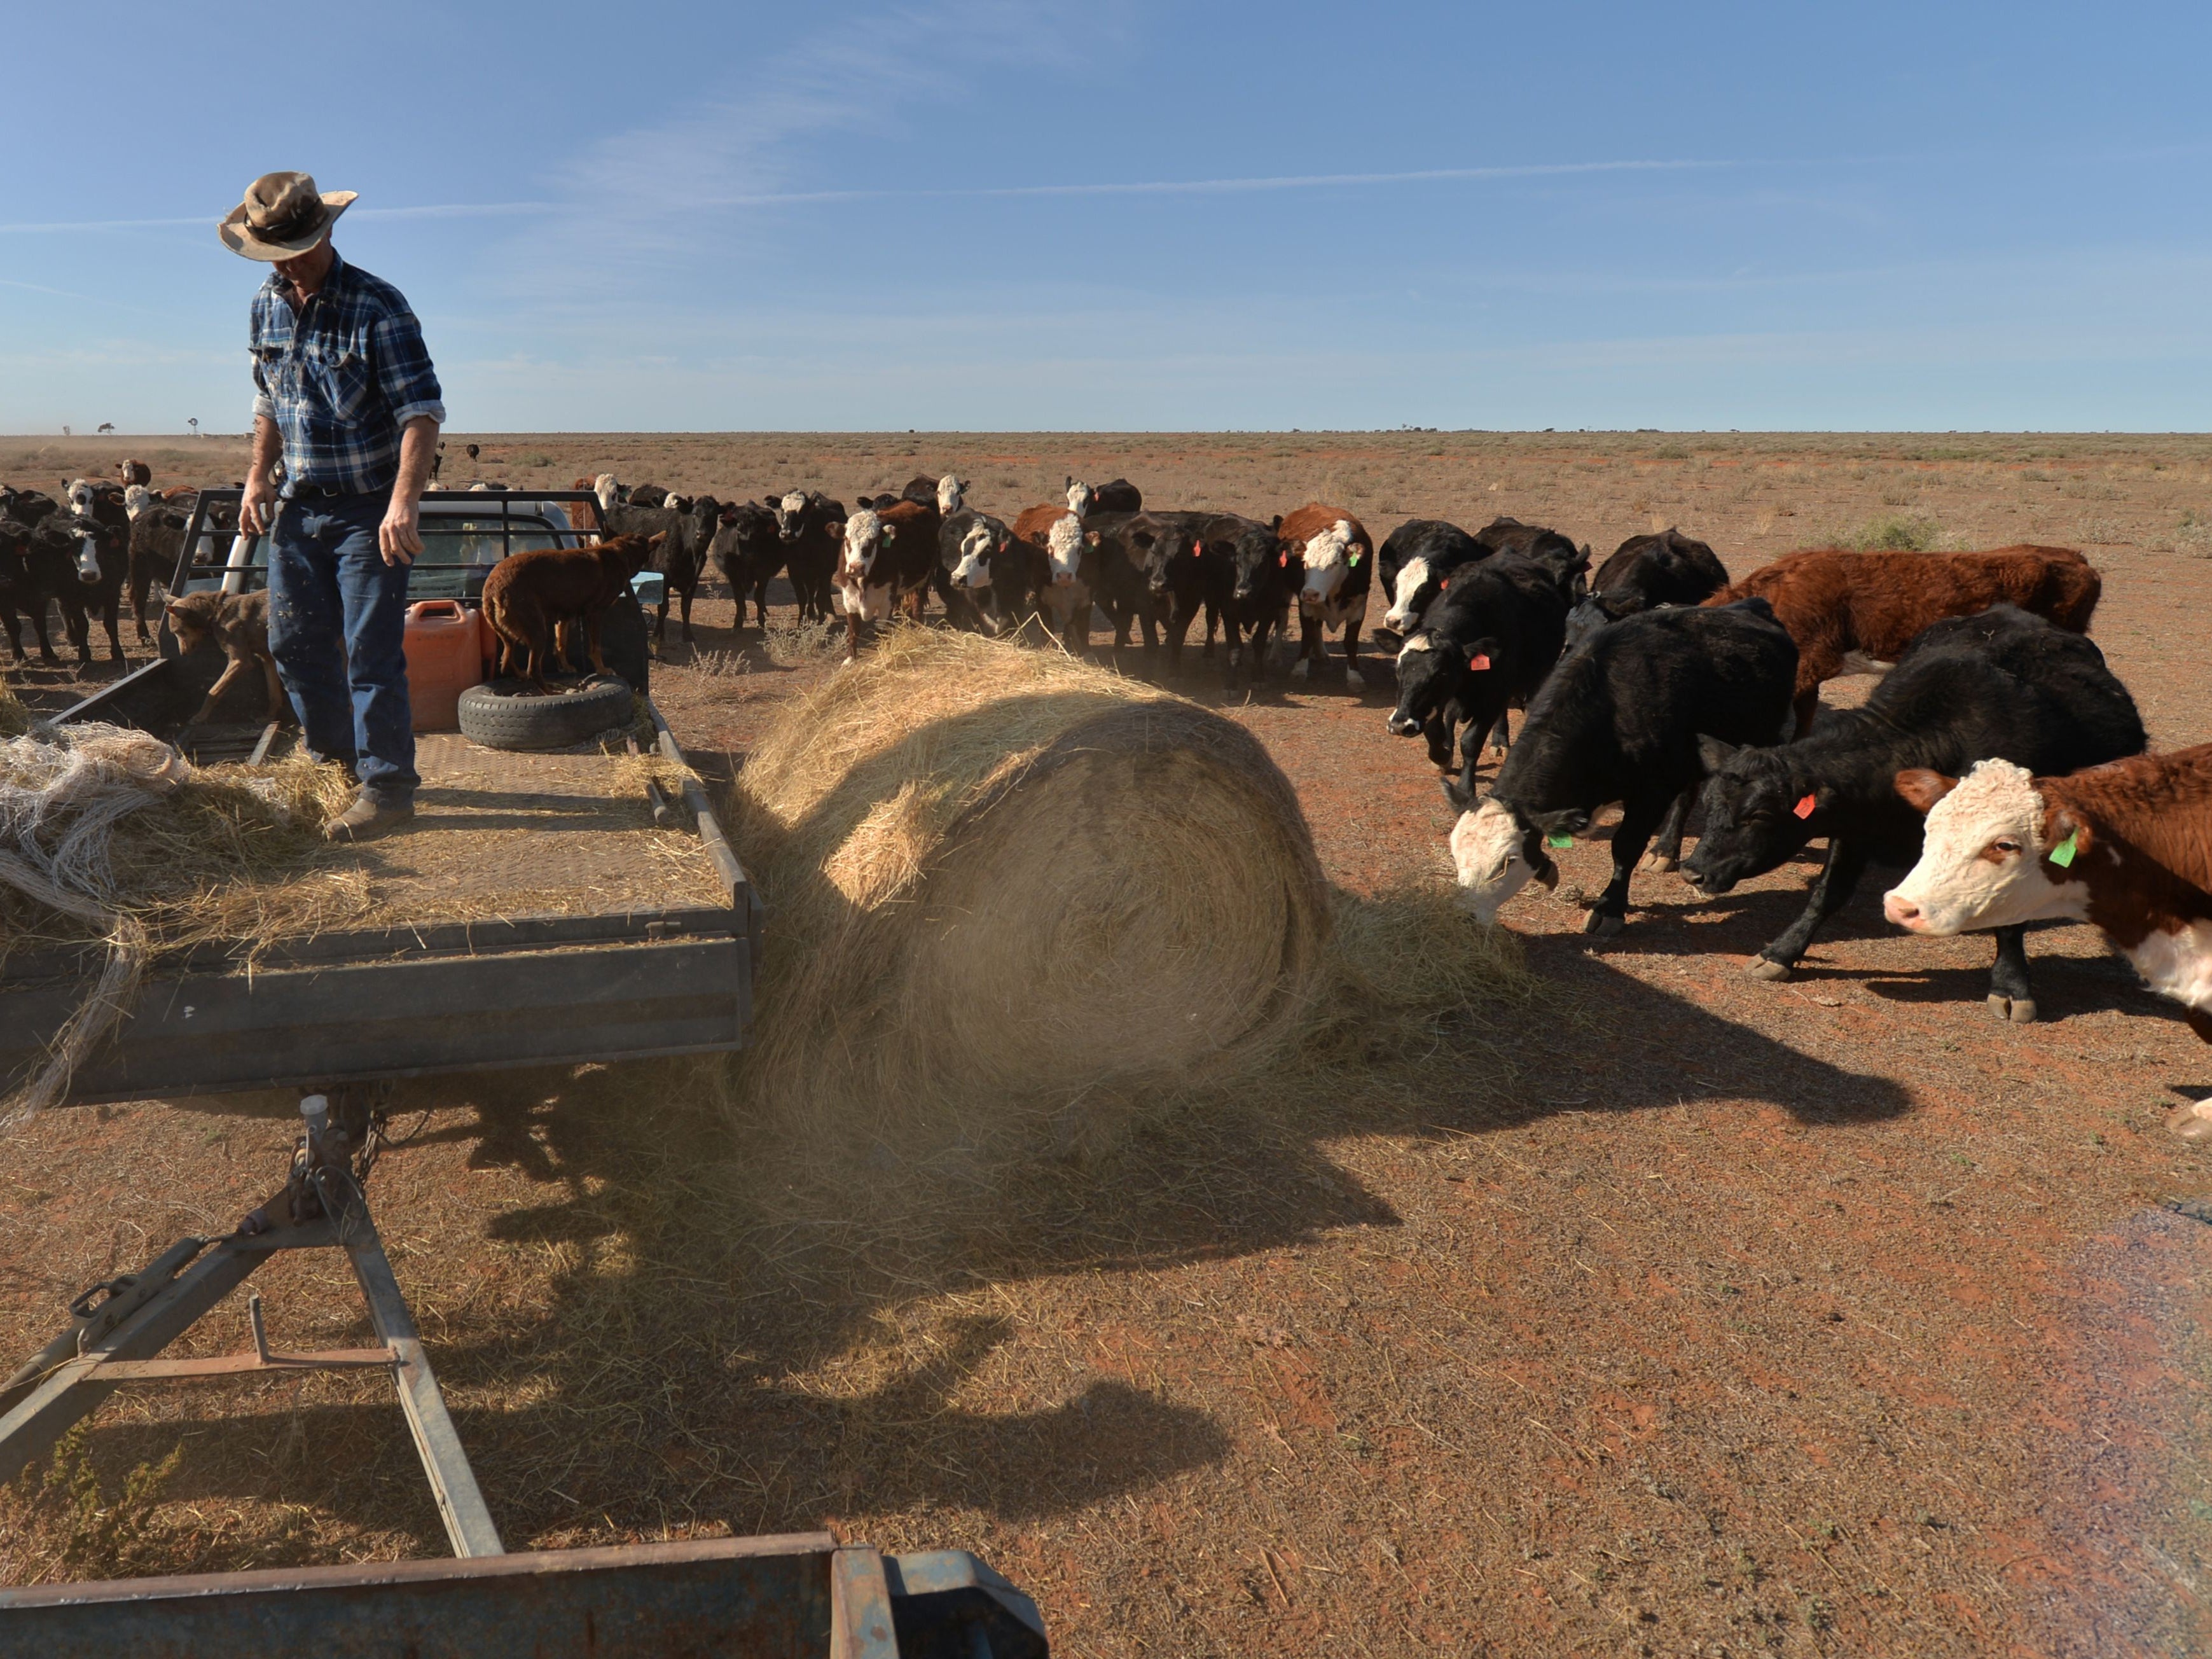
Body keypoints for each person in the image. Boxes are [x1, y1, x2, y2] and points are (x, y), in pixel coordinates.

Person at [221, 170, 445, 841]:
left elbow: (422, 410)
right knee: (292, 641)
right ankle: (334, 766)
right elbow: (269, 400)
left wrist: (403, 502)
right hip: (298, 505)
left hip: (367, 508)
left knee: (371, 650)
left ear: (322, 234)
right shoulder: (265, 304)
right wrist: (258, 477)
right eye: (274, 252)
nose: (285, 263)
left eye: (294, 247)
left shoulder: (377, 305)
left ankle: (388, 788)